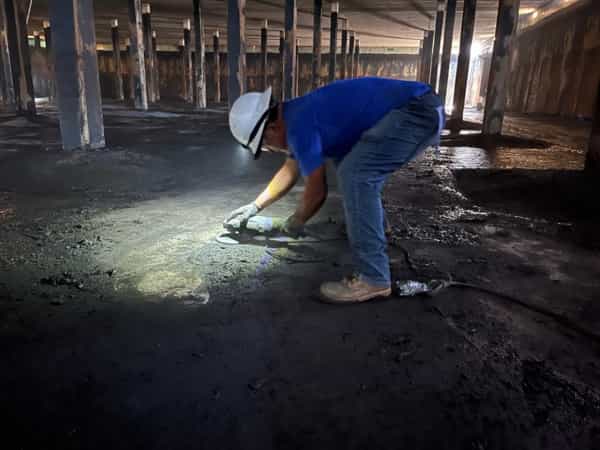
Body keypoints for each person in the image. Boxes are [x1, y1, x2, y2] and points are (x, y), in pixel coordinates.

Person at [226, 77, 444, 304]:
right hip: (421, 107)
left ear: (272, 127)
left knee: (355, 174)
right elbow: (290, 170)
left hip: (415, 112)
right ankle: (376, 228)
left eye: (265, 144)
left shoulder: (299, 125)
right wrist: (254, 207)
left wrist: (294, 223)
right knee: (349, 163)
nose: (270, 149)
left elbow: (317, 191)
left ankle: (374, 278)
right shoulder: (295, 115)